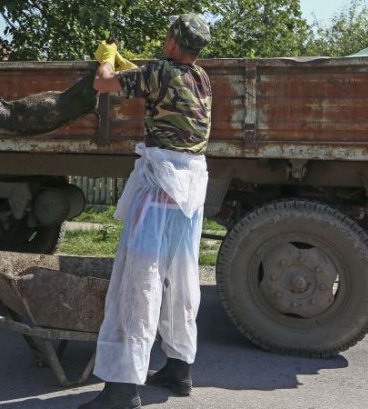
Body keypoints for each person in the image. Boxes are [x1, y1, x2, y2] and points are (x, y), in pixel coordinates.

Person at [79, 13, 212, 409]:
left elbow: (102, 83)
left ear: (173, 41)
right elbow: (157, 78)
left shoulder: (158, 72)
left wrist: (107, 58)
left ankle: (122, 388)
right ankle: (179, 368)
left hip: (159, 188)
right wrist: (133, 65)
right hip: (190, 188)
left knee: (137, 282)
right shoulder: (200, 77)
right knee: (181, 278)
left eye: (168, 34)